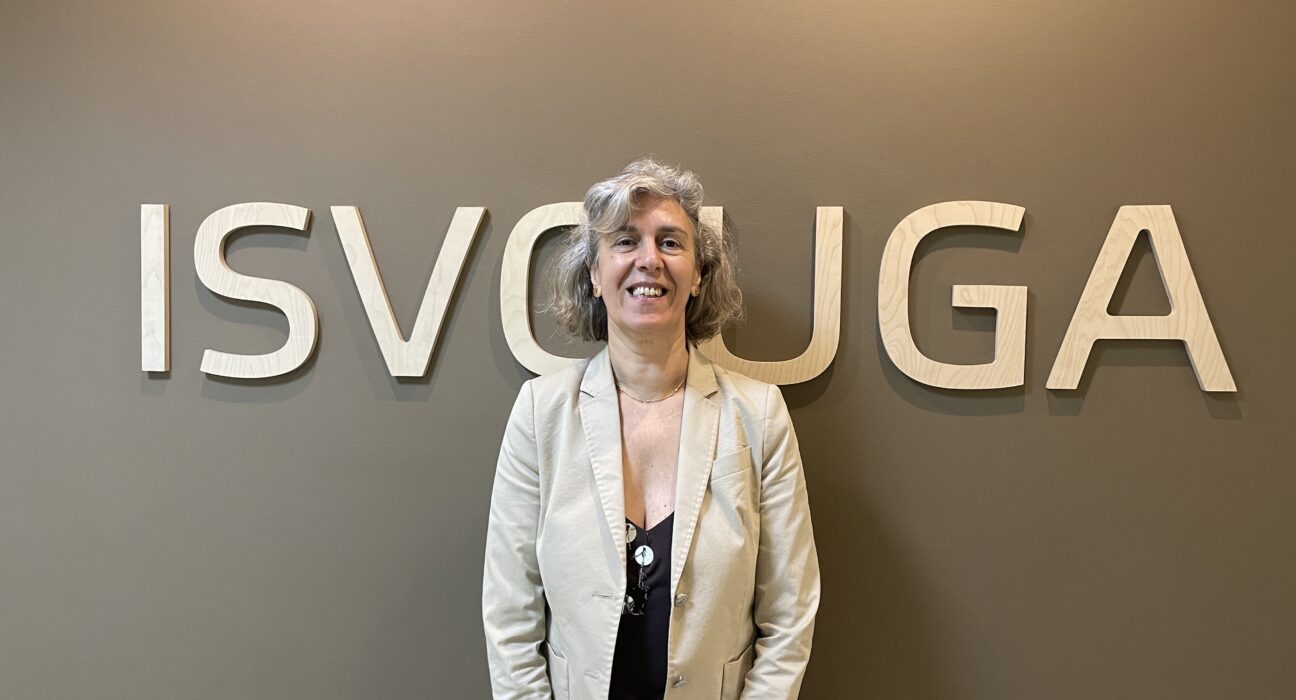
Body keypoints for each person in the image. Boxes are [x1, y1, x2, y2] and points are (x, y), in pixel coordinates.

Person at [482, 158, 820, 699]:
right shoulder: (540, 414)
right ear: (594, 275)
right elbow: (510, 616)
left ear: (699, 275)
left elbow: (790, 614)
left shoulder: (759, 415)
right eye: (624, 241)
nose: (649, 260)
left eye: (669, 242)